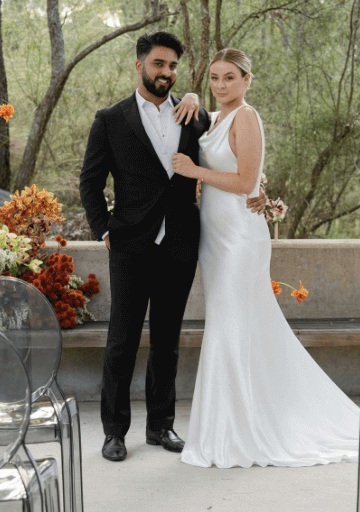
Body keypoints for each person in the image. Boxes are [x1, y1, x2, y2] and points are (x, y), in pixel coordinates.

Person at [171, 48, 360, 468]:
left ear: (247, 80)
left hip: (239, 239)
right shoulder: (215, 118)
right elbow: (218, 143)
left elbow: (247, 181)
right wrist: (193, 95)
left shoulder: (246, 117)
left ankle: (238, 434)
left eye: (229, 77)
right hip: (214, 240)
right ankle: (230, 424)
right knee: (232, 327)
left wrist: (193, 172)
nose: (220, 85)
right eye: (214, 78)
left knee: (232, 329)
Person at [78, 32, 265, 463]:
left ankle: (161, 425)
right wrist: (103, 229)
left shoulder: (194, 117)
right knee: (121, 340)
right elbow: (90, 181)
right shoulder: (109, 119)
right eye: (159, 64)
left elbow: (228, 145)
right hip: (129, 243)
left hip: (180, 243)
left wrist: (196, 95)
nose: (166, 72)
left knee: (167, 341)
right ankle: (114, 432)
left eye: (173, 67)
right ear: (140, 64)